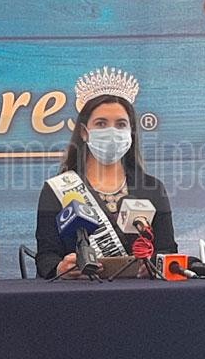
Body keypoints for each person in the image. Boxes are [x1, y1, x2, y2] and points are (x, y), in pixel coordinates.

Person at [35, 66, 178, 281]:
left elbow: (168, 251)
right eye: (101, 124)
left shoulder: (152, 188)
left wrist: (152, 264)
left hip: (141, 294)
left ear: (130, 133)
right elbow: (46, 257)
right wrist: (60, 268)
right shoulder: (57, 189)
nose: (112, 132)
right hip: (79, 293)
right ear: (84, 132)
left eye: (120, 124)